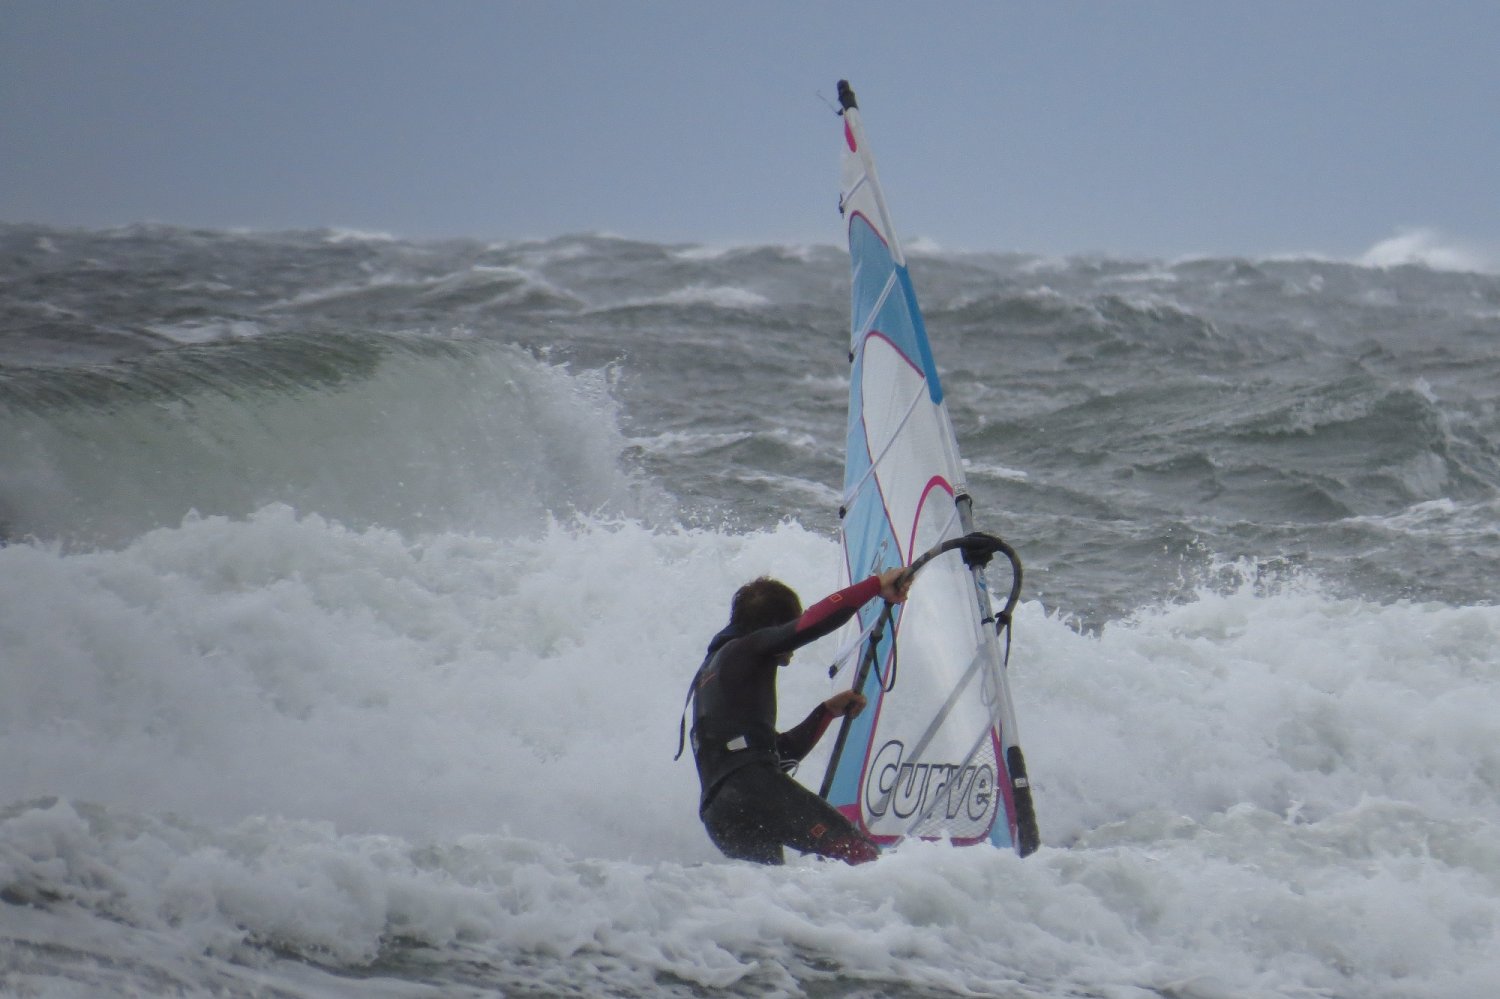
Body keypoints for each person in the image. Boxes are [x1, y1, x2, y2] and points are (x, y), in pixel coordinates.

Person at [681, 567, 909, 865]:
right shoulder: (745, 649)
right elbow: (812, 624)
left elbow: (777, 755)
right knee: (862, 857)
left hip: (721, 813)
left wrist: (825, 712)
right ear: (775, 627)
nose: (792, 648)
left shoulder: (712, 675)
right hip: (755, 790)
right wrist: (875, 585)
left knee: (775, 901)